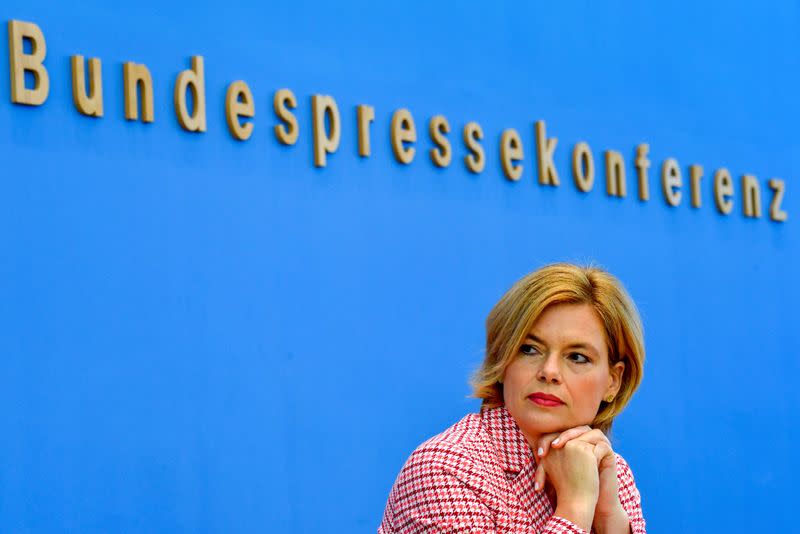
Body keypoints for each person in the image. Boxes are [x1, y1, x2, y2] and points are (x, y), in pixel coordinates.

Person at [378, 263, 646, 533]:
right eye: (530, 349)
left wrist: (609, 519)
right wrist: (575, 509)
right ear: (502, 361)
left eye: (577, 357)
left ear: (613, 381)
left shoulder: (613, 473)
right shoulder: (444, 469)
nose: (549, 372)